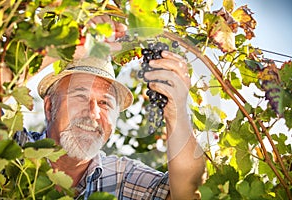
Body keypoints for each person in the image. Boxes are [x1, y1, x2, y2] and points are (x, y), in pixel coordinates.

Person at [14, 15, 205, 199]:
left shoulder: (123, 177)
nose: (93, 113)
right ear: (49, 107)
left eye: (105, 103)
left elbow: (187, 194)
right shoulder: (14, 150)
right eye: (80, 96)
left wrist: (176, 111)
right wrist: (58, 48)